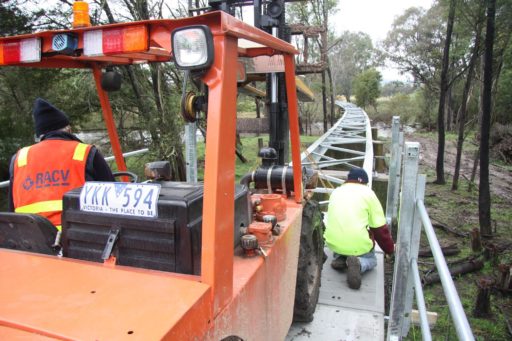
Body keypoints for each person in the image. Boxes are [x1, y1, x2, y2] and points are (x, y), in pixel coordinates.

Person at [8, 98, 115, 232]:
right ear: (68, 129)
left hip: (31, 242)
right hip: (79, 240)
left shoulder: (19, 158)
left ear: (40, 135)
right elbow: (113, 196)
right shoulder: (85, 152)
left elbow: (12, 209)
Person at [324, 168, 394, 289]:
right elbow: (379, 229)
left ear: (348, 180)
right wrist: (390, 249)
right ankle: (360, 264)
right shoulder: (369, 194)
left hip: (333, 243)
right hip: (358, 246)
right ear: (365, 183)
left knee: (343, 231)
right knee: (372, 259)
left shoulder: (336, 192)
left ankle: (341, 258)